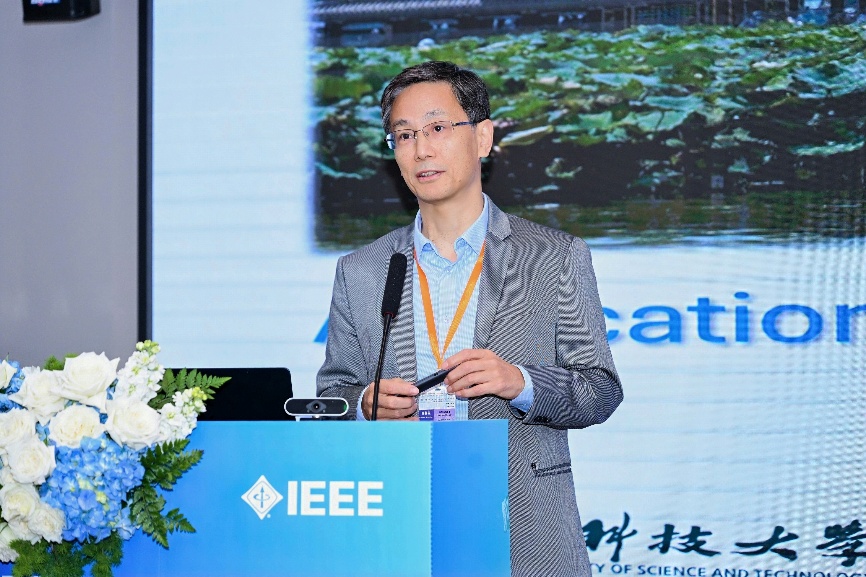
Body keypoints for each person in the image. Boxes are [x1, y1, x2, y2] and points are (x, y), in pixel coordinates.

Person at [317, 60, 623, 577]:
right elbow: (332, 396)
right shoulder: (362, 270)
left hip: (523, 528)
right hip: (399, 522)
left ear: (482, 138)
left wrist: (520, 382)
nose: (421, 149)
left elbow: (600, 390)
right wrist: (364, 405)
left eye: (437, 128)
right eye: (404, 135)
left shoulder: (553, 256)